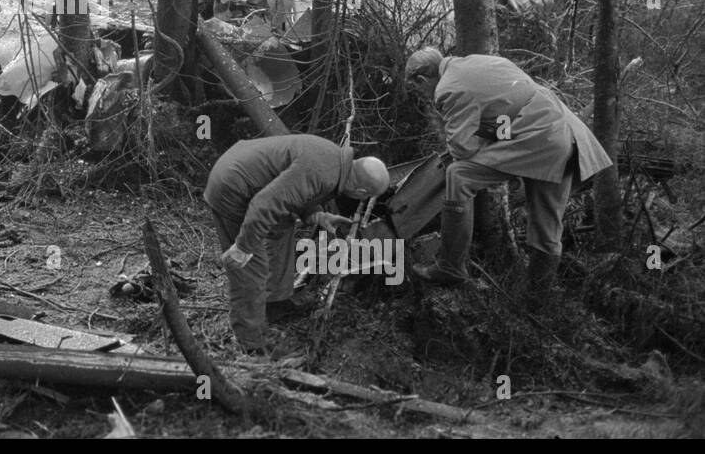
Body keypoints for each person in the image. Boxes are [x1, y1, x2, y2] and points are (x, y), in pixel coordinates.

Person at [403, 47, 613, 295]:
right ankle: (538, 304)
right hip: (561, 132)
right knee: (546, 230)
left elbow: (462, 149)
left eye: (420, 89)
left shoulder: (447, 87)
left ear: (422, 79)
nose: (425, 95)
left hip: (540, 138)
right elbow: (510, 105)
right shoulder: (478, 61)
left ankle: (451, 267)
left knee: (458, 175)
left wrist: (484, 147)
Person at [205, 135, 390, 353]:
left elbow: (294, 190)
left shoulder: (336, 161)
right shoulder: (323, 172)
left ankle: (275, 302)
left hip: (245, 175)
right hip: (232, 187)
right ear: (361, 193)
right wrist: (243, 247)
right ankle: (251, 342)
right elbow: (265, 204)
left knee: (283, 227)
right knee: (250, 267)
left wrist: (318, 215)